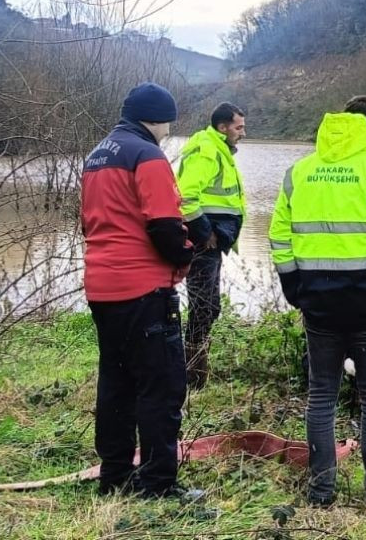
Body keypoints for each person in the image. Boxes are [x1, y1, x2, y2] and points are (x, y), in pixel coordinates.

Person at [269, 95, 366, 515]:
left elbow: (279, 237)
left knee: (321, 395)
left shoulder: (299, 173)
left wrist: (293, 289)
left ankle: (321, 491)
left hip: (318, 306)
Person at [80, 82, 203, 502]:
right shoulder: (148, 155)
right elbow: (165, 224)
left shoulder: (97, 155)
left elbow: (92, 223)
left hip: (102, 287)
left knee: (116, 383)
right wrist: (186, 256)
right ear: (159, 117)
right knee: (161, 387)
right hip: (144, 288)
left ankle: (115, 476)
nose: (170, 128)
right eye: (169, 120)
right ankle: (159, 485)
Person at [176, 101, 247, 389]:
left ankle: (193, 371)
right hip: (204, 242)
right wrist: (205, 233)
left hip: (212, 241)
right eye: (239, 127)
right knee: (204, 306)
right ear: (223, 127)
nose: (243, 132)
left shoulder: (218, 149)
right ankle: (191, 376)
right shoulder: (208, 150)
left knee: (208, 306)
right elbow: (185, 196)